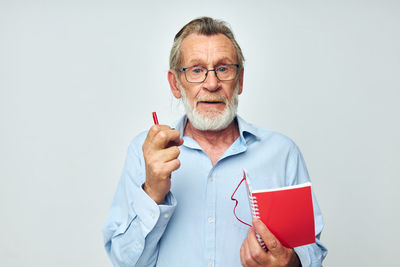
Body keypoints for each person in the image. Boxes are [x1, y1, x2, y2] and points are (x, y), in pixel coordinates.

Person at [102, 17, 327, 267]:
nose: (211, 84)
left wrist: (291, 263)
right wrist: (153, 193)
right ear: (176, 84)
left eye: (223, 68)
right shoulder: (144, 153)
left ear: (239, 80)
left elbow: (311, 252)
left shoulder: (282, 153)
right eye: (196, 70)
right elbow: (125, 262)